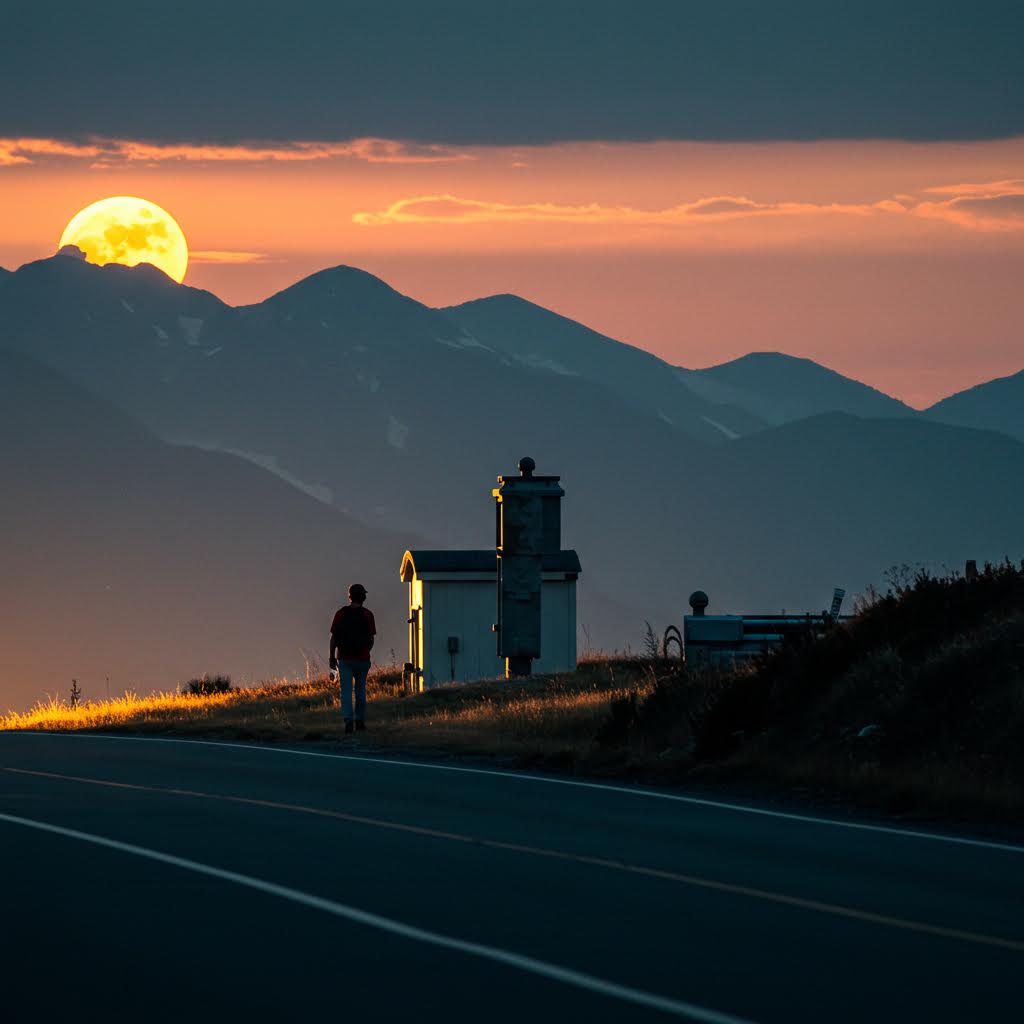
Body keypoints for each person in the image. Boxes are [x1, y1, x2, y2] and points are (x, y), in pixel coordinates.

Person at [329, 584, 377, 734]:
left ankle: (348, 722)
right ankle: (360, 721)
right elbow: (371, 639)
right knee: (361, 691)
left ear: (350, 596)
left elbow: (334, 638)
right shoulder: (368, 615)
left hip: (344, 658)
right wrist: (365, 652)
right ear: (363, 597)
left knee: (346, 692)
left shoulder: (340, 614)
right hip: (362, 659)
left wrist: (332, 657)